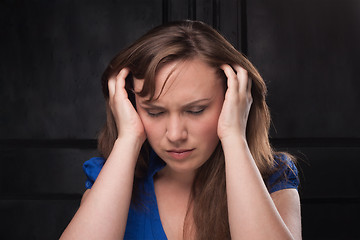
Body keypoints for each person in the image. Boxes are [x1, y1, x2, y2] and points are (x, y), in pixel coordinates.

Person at [61, 20, 301, 240]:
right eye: (154, 112)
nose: (175, 135)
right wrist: (128, 139)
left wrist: (233, 136)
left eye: (196, 110)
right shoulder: (111, 177)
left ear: (234, 101)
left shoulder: (273, 178)